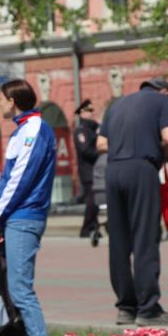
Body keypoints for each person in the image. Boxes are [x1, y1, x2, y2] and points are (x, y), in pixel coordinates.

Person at [96, 77, 168, 326]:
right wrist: (163, 152)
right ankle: (148, 309)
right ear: (164, 91)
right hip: (142, 169)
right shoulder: (163, 102)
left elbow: (101, 144)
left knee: (119, 241)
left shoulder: (117, 104)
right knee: (145, 238)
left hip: (114, 171)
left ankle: (126, 307)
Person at [0, 79, 57, 336]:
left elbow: (19, 179)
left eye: (2, 99)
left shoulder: (33, 129)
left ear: (12, 101)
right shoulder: (23, 129)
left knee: (20, 289)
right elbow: (9, 179)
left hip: (24, 215)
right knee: (14, 287)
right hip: (17, 215)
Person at [74, 99, 100, 240]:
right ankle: (86, 228)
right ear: (82, 113)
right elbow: (85, 150)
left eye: (92, 110)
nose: (91, 113)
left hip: (95, 170)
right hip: (87, 171)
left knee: (95, 200)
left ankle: (94, 226)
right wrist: (101, 152)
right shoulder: (81, 131)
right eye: (89, 110)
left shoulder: (92, 129)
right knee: (92, 201)